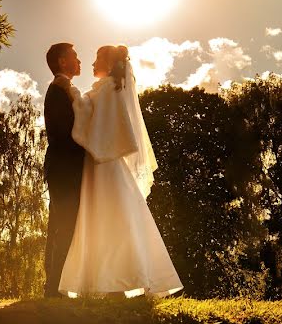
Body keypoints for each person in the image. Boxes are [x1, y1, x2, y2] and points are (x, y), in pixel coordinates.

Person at [59, 45, 183, 297]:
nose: (93, 64)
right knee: (113, 220)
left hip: (103, 164)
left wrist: (71, 91)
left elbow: (91, 122)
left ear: (109, 63)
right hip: (104, 162)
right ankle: (111, 282)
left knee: (110, 220)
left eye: (97, 59)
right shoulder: (111, 89)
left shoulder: (108, 90)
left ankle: (117, 282)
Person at [42, 42, 86, 298]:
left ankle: (55, 285)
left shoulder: (65, 88)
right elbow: (60, 134)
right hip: (64, 168)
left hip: (66, 167)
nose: (79, 60)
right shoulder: (58, 89)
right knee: (64, 225)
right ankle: (54, 287)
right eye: (75, 56)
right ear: (62, 61)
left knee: (62, 224)